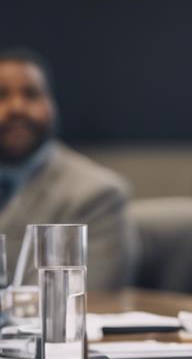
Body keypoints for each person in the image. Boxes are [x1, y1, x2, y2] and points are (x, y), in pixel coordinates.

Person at [0, 48, 138, 290]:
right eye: (1, 95)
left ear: (51, 104)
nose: (17, 107)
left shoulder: (97, 195)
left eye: (31, 94)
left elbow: (76, 302)